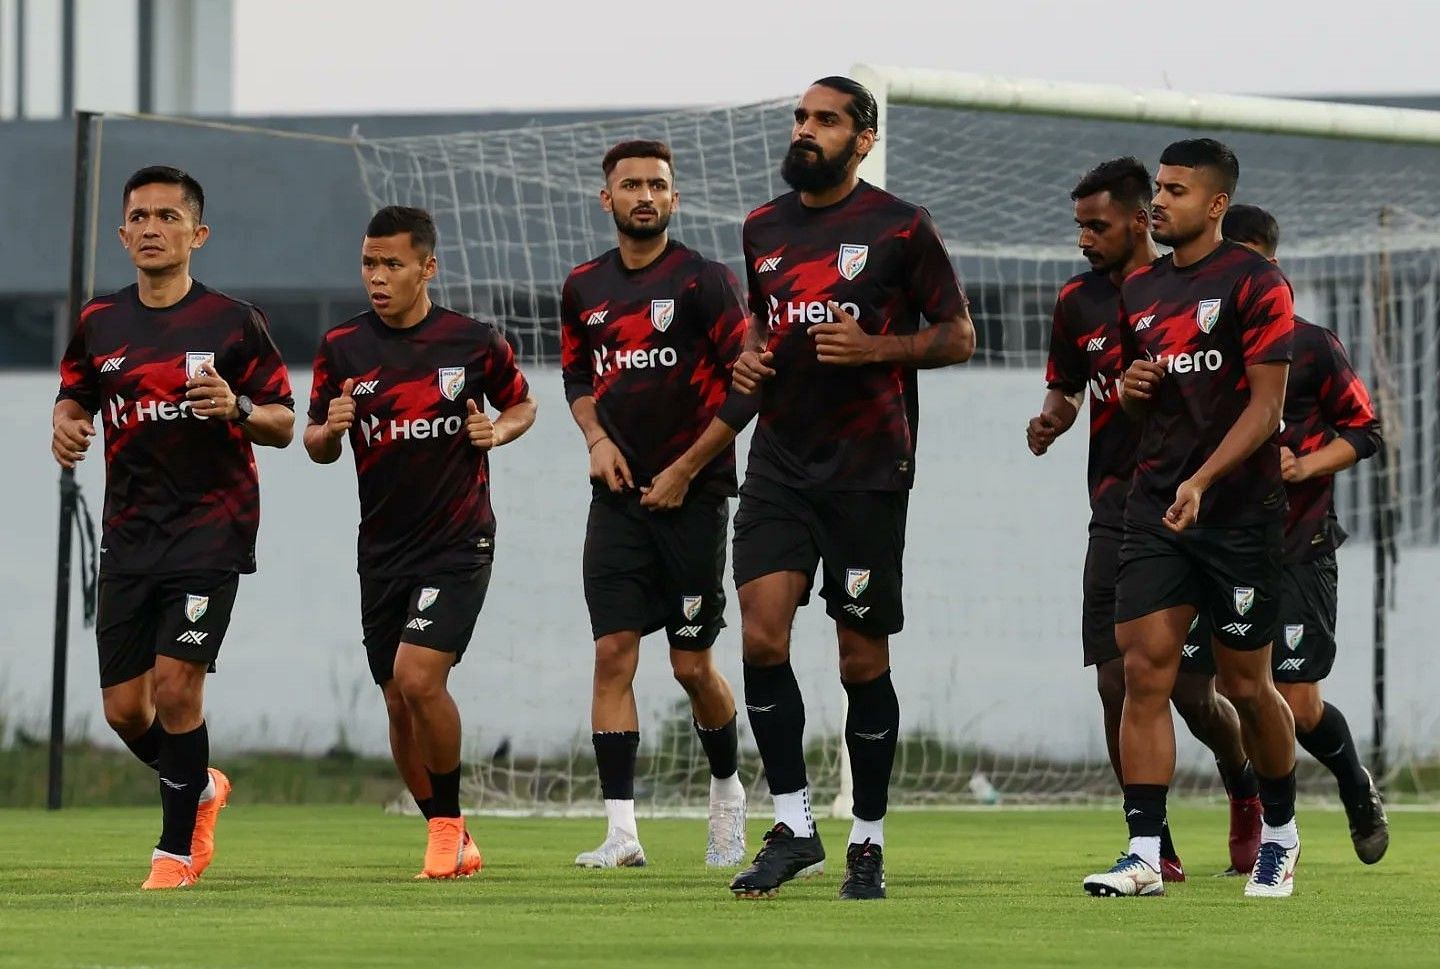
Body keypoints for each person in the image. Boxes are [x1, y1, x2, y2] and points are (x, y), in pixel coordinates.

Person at [726, 76, 976, 900]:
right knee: (762, 637)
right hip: (780, 464)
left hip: (869, 469)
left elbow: (959, 336)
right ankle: (795, 824)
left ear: (862, 138)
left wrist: (875, 350)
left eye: (826, 120)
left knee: (860, 655)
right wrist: (751, 355)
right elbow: (765, 324)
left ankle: (866, 837)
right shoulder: (761, 226)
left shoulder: (902, 226)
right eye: (801, 117)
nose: (806, 129)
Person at [52, 165, 295, 889]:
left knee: (178, 684)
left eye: (167, 216)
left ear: (197, 233)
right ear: (123, 233)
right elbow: (75, 400)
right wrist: (66, 427)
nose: (152, 228)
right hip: (130, 534)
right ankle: (201, 785)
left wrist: (238, 410)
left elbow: (284, 420)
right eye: (140, 217)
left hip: (211, 529)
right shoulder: (100, 322)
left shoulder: (231, 321)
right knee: (127, 708)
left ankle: (175, 851)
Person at [1029, 157, 1261, 881]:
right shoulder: (1076, 302)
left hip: (1196, 513)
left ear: (1138, 222)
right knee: (1114, 682)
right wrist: (1051, 419)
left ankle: (1245, 784)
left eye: (1097, 226)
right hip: (1116, 510)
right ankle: (1149, 841)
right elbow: (1068, 387)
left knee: (1198, 693)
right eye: (1079, 227)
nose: (1084, 240)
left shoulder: (1187, 290)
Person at [1082, 139, 1301, 899]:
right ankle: (1144, 850)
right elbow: (1145, 397)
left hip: (1238, 512)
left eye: (1174, 191)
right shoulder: (1140, 290)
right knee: (1143, 671)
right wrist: (1133, 389)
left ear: (1214, 204)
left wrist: (1206, 480)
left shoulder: (1258, 282)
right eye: (1158, 189)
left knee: (1246, 685)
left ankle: (1280, 832)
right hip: (1155, 506)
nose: (1158, 204)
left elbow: (1266, 409)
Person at [304, 205, 536, 879]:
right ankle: (451, 832)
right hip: (381, 549)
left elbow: (522, 403)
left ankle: (445, 824)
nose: (378, 277)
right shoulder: (342, 346)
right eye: (369, 264)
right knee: (397, 701)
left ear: (427, 267)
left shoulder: (472, 341)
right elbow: (315, 443)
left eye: (392, 264)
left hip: (459, 540)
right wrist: (330, 429)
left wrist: (500, 430)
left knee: (418, 676)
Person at [559, 140, 752, 869]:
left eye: (658, 184)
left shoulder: (704, 282)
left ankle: (728, 794)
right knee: (613, 652)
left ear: (675, 198)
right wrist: (594, 439)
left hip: (694, 499)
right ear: (606, 199)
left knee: (690, 665)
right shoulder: (584, 286)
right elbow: (578, 374)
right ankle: (622, 832)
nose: (645, 194)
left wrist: (685, 469)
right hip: (616, 499)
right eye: (631, 184)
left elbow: (748, 385)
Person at [1218, 203, 1389, 863]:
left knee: (1295, 701)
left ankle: (1351, 784)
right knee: (1218, 690)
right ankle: (1186, 831)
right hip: (1218, 548)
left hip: (1297, 545)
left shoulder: (1311, 344)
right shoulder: (1202, 350)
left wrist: (1305, 464)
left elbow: (1366, 430)